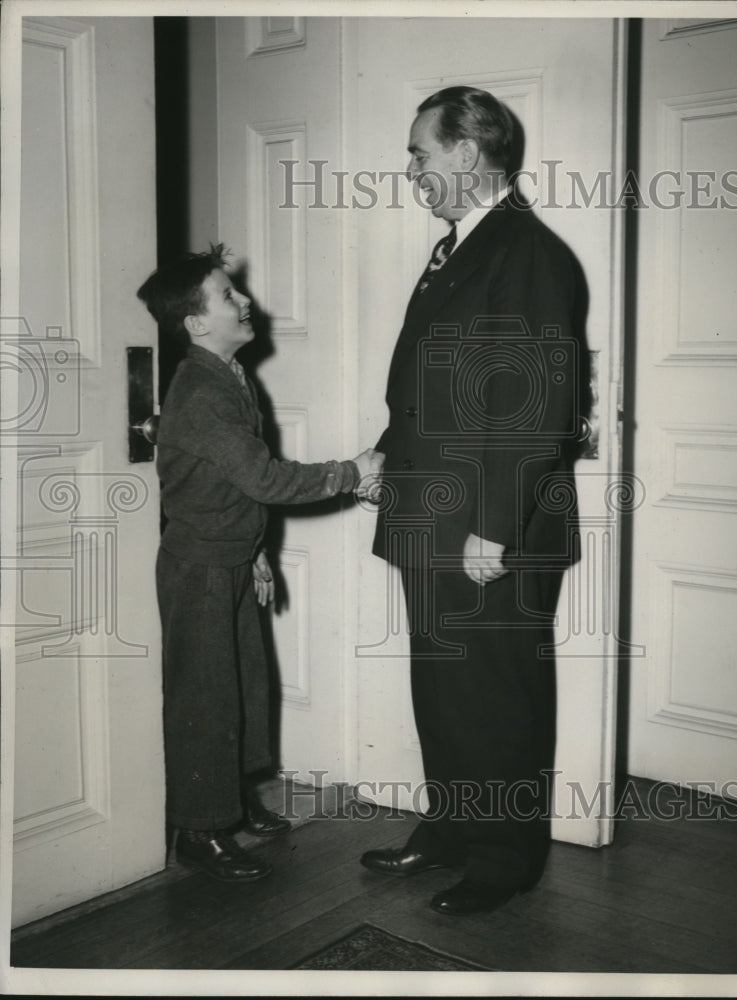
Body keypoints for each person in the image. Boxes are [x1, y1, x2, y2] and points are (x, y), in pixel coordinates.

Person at [361, 87, 588, 915]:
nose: (412, 168)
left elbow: (535, 409)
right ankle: (454, 827)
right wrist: (387, 461)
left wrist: (492, 528)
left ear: (466, 153)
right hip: (436, 514)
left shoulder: (524, 251)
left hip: (489, 525)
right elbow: (436, 389)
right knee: (445, 688)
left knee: (495, 695)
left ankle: (505, 854)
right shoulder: (462, 248)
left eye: (420, 152)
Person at [137, 246, 381, 883]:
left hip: (230, 559)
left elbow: (234, 488)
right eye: (227, 295)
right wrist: (351, 472)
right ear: (195, 323)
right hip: (199, 569)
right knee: (205, 698)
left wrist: (258, 554)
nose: (245, 301)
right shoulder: (200, 393)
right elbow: (264, 478)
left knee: (243, 684)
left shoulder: (227, 376)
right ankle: (199, 828)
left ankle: (234, 802)